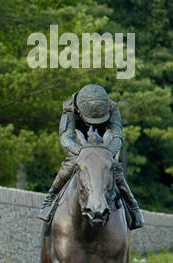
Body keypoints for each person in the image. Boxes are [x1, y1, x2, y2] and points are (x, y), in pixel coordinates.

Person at [39, 84, 144, 229]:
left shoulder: (112, 107)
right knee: (70, 164)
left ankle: (133, 207)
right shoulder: (70, 108)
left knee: (113, 169)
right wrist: (83, 152)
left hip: (105, 146)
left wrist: (106, 154)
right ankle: (50, 198)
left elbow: (117, 136)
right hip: (79, 147)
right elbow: (66, 138)